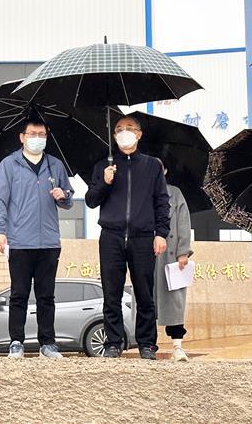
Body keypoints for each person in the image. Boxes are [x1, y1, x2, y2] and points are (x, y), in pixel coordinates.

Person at [85, 114, 169, 360]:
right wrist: (105, 182)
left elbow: (161, 201)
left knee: (144, 293)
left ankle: (147, 344)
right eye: (120, 128)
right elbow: (91, 201)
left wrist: (161, 233)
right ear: (114, 135)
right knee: (111, 293)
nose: (125, 132)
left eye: (130, 128)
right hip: (111, 236)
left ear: (139, 134)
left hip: (143, 237)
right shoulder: (104, 165)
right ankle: (113, 343)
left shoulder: (152, 166)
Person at [0, 117, 74, 359]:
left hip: (49, 241)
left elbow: (68, 199)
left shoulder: (55, 165)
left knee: (47, 296)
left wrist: (63, 195)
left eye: (42, 134)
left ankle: (48, 343)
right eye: (33, 134)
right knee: (19, 294)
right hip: (19, 241)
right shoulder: (9, 164)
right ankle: (16, 341)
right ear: (22, 137)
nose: (37, 139)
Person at [154, 179, 193, 362]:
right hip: (146, 253)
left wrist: (183, 251)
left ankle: (177, 346)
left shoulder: (175, 193)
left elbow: (184, 222)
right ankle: (148, 345)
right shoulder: (141, 190)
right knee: (146, 300)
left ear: (165, 171)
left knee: (175, 301)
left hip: (171, 255)